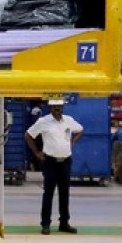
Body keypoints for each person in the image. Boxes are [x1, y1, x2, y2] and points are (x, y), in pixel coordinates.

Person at [25, 98, 83, 235]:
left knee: (65, 193)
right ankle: (45, 224)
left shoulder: (69, 120)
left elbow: (81, 130)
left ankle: (64, 223)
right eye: (54, 106)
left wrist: (72, 143)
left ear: (62, 107)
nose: (57, 108)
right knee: (48, 193)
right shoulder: (43, 122)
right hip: (50, 162)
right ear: (50, 107)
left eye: (59, 105)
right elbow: (28, 135)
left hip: (66, 161)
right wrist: (36, 152)